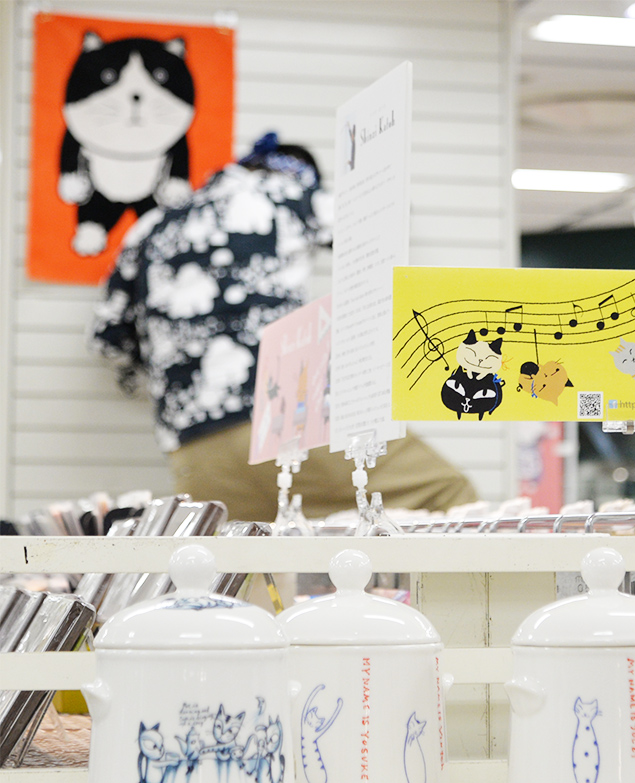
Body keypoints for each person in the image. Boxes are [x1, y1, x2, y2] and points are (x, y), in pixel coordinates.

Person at [89, 133, 476, 522]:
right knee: (450, 495)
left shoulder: (149, 226)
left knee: (245, 558)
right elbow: (383, 217)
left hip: (194, 446)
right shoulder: (285, 192)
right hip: (293, 420)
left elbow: (109, 341)